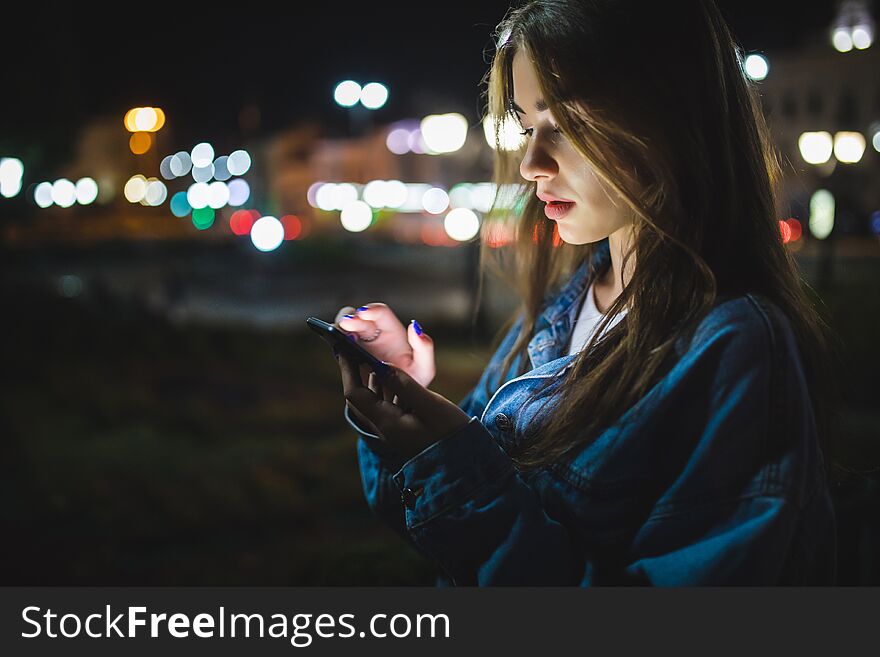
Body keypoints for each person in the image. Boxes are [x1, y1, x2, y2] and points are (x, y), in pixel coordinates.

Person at [331, 0, 841, 585]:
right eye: (525, 127)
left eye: (568, 124)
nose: (529, 164)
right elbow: (445, 533)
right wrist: (403, 406)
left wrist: (453, 464)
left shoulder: (734, 347)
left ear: (670, 115)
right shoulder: (566, 306)